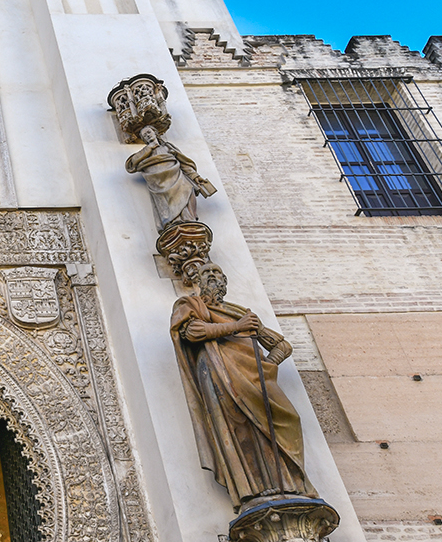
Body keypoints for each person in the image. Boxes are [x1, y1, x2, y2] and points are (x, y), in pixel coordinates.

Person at [169, 263, 313, 509]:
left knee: (289, 420)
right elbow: (193, 332)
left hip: (255, 376)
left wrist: (266, 366)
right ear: (199, 282)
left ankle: (289, 484)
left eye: (216, 272)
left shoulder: (239, 311)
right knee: (239, 427)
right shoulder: (191, 305)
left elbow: (283, 346)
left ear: (225, 280)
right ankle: (254, 489)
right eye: (207, 273)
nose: (212, 276)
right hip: (220, 373)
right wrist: (238, 327)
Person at [125, 124, 216, 228]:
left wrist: (195, 176)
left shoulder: (167, 147)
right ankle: (174, 222)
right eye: (144, 135)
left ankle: (189, 219)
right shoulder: (144, 153)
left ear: (155, 133)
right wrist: (149, 148)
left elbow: (183, 163)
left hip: (177, 177)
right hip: (159, 183)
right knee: (166, 202)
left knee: (188, 190)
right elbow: (131, 164)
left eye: (149, 132)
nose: (147, 136)